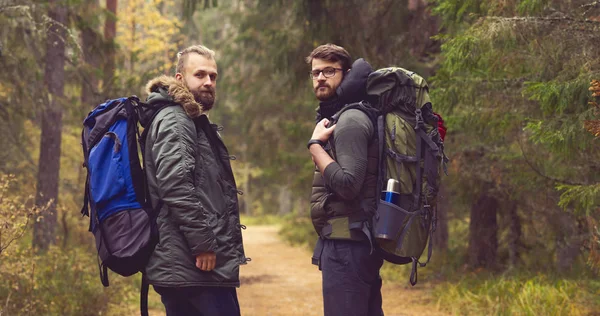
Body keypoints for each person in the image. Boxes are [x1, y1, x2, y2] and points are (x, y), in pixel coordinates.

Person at [142, 44, 247, 316]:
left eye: (213, 76)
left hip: (189, 267)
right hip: (193, 266)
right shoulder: (176, 120)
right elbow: (175, 186)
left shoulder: (187, 119)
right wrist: (203, 244)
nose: (209, 82)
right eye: (200, 74)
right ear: (180, 79)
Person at [306, 43, 384, 316]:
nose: (320, 78)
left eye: (329, 71)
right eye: (315, 73)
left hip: (348, 245)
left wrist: (315, 146)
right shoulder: (342, 116)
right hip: (351, 241)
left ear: (347, 74)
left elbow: (349, 185)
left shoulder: (350, 119)